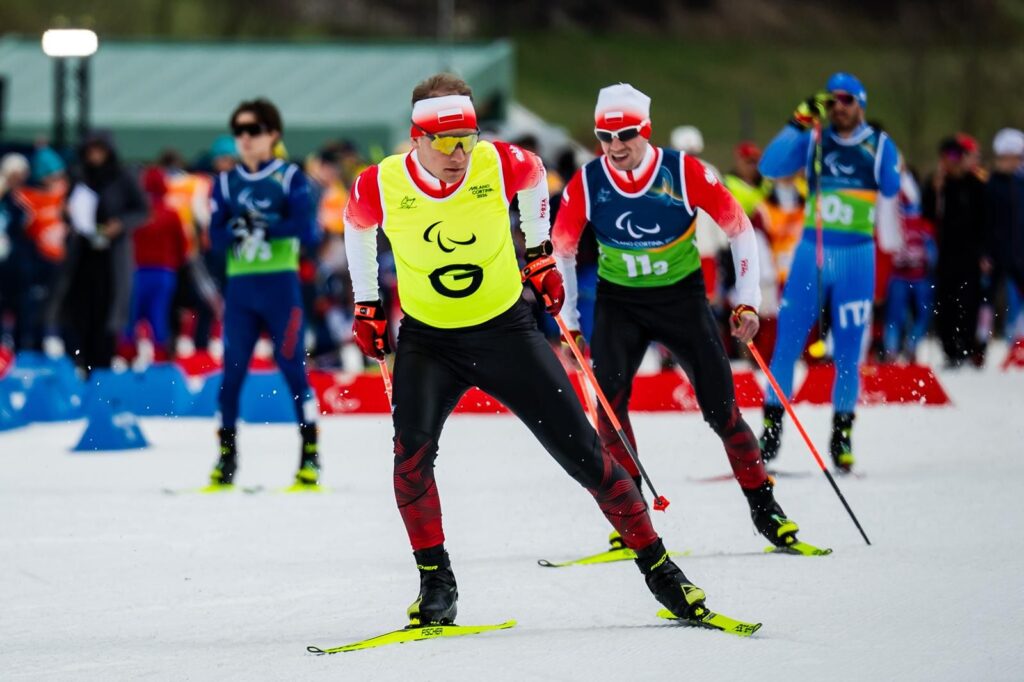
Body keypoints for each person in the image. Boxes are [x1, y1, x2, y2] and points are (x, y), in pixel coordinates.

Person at [343, 73, 716, 626]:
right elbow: (357, 228)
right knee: (410, 463)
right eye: (444, 142)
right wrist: (367, 304)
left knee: (587, 455)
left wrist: (539, 251)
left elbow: (538, 176)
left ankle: (662, 571)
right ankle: (436, 584)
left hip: (506, 333)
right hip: (429, 341)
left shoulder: (498, 161)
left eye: (466, 139)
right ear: (416, 137)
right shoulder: (381, 181)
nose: (458, 154)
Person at [554, 83, 822, 555]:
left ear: (647, 130)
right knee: (609, 409)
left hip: (682, 302)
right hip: (621, 305)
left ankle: (766, 509)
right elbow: (562, 250)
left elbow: (739, 230)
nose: (616, 146)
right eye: (605, 136)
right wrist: (569, 319)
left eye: (626, 134)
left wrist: (746, 302)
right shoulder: (588, 181)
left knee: (722, 411)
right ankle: (630, 516)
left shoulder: (684, 170)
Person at [758, 73, 903, 472]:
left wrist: (888, 158)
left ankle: (842, 434)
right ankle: (770, 432)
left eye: (847, 100)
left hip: (857, 257)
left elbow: (891, 188)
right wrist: (797, 122)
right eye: (832, 100)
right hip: (813, 253)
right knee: (786, 345)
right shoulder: (815, 140)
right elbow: (770, 167)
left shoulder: (878, 143)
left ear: (861, 104)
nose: (839, 106)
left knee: (848, 354)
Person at [208, 98, 321, 488]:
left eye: (253, 130)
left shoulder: (289, 177)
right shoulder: (224, 181)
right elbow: (214, 237)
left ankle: (310, 456)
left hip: (280, 287)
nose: (245, 138)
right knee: (232, 372)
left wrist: (265, 227)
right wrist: (236, 231)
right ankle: (226, 459)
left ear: (273, 134)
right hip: (241, 289)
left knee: (292, 368)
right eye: (238, 131)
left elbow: (307, 230)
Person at [56, 132, 148, 374]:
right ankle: (81, 367)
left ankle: (102, 371)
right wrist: (67, 212)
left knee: (106, 318)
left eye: (99, 151)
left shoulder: (122, 177)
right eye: (90, 152)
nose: (95, 157)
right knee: (79, 315)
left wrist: (119, 224)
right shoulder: (80, 176)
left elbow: (141, 209)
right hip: (83, 257)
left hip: (110, 258)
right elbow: (69, 209)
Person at [924, 135, 989, 367]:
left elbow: (985, 221)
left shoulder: (976, 184)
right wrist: (934, 192)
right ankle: (949, 349)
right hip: (945, 255)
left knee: (968, 302)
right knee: (945, 302)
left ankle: (966, 347)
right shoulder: (938, 184)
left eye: (957, 156)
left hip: (970, 255)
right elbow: (929, 216)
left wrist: (984, 253)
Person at [123, 167, 188, 362]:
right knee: (159, 316)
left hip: (135, 272)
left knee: (130, 318)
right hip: (164, 274)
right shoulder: (171, 214)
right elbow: (183, 246)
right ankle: (161, 361)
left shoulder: (134, 215)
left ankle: (126, 360)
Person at [883, 171, 936, 363]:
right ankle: (892, 350)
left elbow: (931, 250)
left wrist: (930, 266)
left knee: (923, 314)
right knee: (895, 315)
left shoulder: (923, 223)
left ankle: (912, 346)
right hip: (899, 275)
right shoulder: (895, 220)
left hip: (920, 275)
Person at [985, 128, 1024, 322]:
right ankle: (980, 342)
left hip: (1018, 252)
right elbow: (983, 221)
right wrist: (984, 253)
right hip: (995, 253)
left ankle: (1019, 340)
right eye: (1017, 157)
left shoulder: (1019, 184)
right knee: (987, 299)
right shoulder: (989, 185)